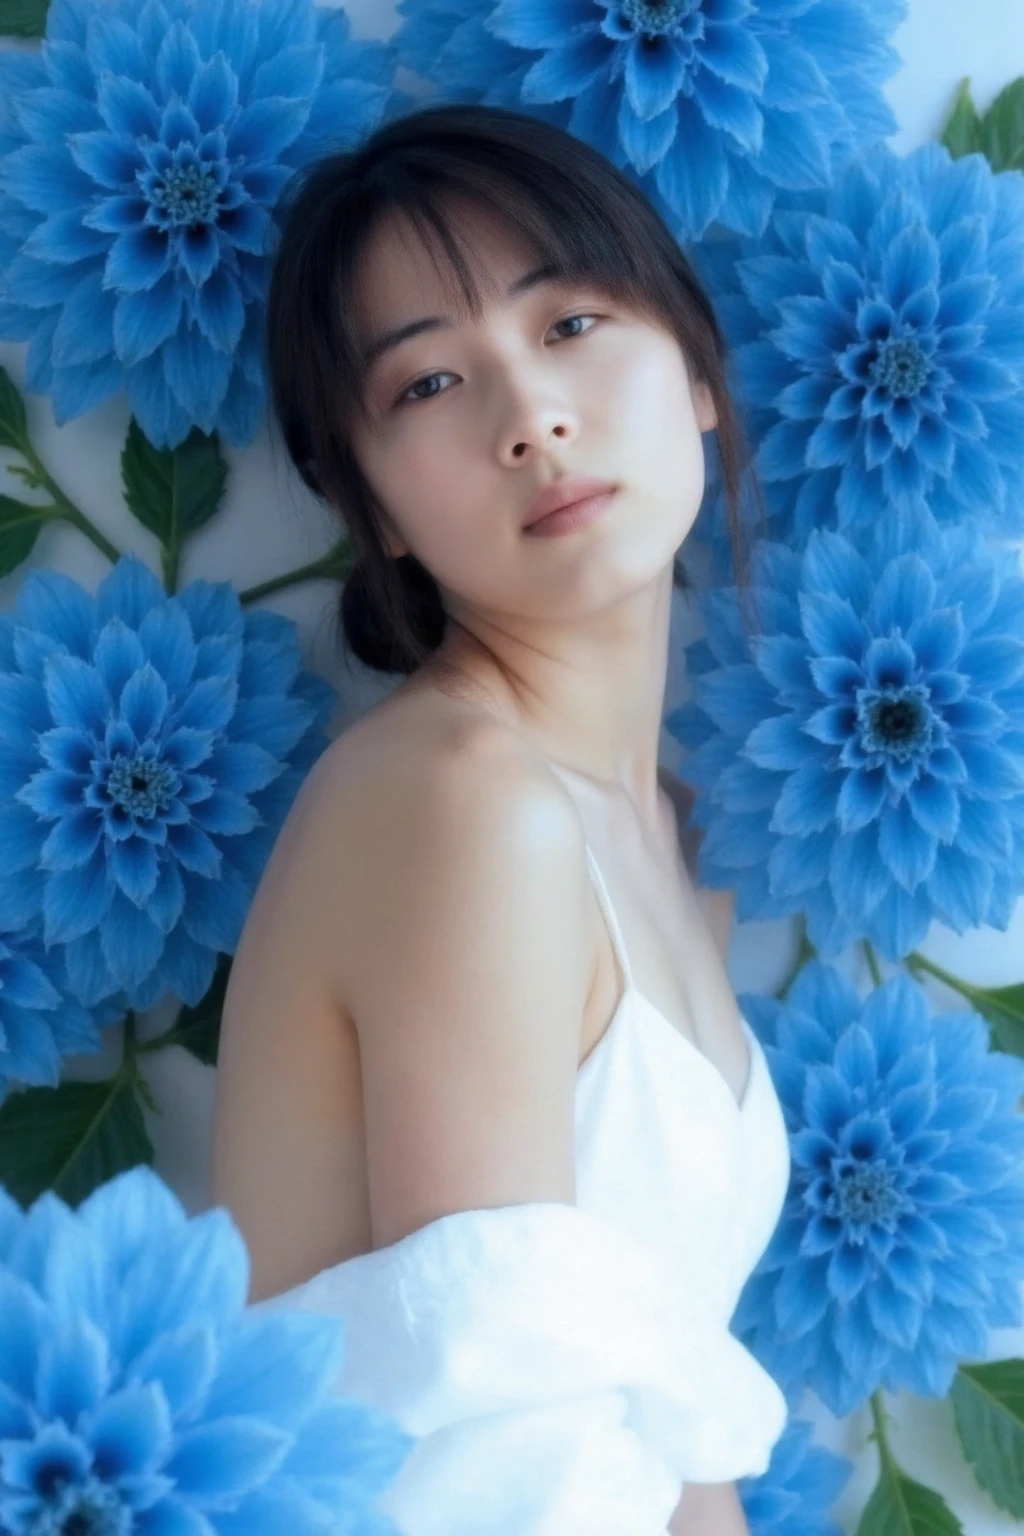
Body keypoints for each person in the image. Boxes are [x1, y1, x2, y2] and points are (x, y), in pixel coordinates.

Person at [210, 102, 790, 1536]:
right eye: (425, 386)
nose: (529, 415)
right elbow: (516, 1476)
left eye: (574, 322)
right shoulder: (464, 805)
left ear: (698, 367)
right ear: (377, 508)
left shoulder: (671, 835)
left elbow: (654, 1417)